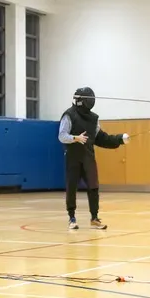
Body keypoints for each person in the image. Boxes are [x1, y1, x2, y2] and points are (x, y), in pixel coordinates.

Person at [58, 87, 129, 230]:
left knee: (93, 187)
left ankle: (94, 218)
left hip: (88, 158)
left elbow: (102, 138)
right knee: (72, 187)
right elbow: (61, 136)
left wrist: (120, 139)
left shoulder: (93, 119)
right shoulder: (69, 115)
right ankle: (72, 218)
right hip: (73, 158)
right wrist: (75, 138)